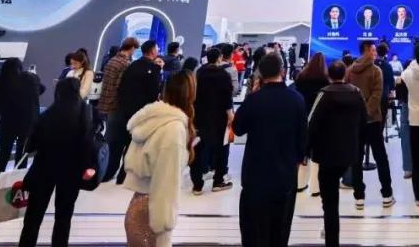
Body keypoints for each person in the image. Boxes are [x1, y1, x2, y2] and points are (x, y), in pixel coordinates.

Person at [233, 53, 307, 247]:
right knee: (280, 230)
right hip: (285, 176)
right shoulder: (297, 99)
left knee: (253, 231)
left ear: (260, 74)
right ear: (282, 71)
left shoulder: (254, 99)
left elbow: (238, 128)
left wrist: (252, 94)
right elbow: (302, 138)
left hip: (255, 176)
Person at [18, 77, 97, 247]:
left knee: (33, 216)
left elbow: (30, 145)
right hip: (72, 171)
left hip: (44, 169)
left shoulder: (48, 114)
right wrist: (89, 166)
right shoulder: (85, 112)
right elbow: (88, 143)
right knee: (64, 216)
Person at [122, 70, 195, 247]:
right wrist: (164, 228)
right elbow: (165, 184)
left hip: (139, 204)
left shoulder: (153, 119)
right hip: (153, 214)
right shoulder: (174, 129)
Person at [309, 60, 367, 247]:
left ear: (329, 75)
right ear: (345, 74)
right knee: (333, 200)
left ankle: (331, 240)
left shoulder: (324, 94)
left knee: (330, 203)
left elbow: (312, 123)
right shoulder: (356, 93)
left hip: (326, 154)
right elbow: (364, 121)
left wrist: (306, 150)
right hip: (349, 151)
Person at [0, 57, 43, 212]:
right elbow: (41, 89)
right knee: (21, 161)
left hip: (8, 124)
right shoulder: (30, 78)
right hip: (27, 126)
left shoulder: (2, 81)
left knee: (1, 161)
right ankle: (18, 199)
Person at [345, 40, 394, 208]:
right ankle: (387, 194)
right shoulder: (376, 70)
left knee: (356, 158)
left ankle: (359, 197)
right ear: (366, 51)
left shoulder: (350, 70)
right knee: (381, 157)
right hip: (373, 120)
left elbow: (348, 94)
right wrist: (367, 113)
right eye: (372, 50)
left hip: (354, 120)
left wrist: (358, 114)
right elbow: (377, 95)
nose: (375, 53)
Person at [114, 39, 164, 183]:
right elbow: (153, 93)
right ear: (152, 51)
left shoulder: (132, 65)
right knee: (136, 142)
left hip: (126, 109)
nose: (158, 50)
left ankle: (121, 174)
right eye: (157, 48)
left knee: (125, 140)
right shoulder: (153, 68)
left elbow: (123, 87)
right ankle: (128, 173)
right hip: (142, 111)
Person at [190, 48, 234, 194]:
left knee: (197, 148)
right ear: (219, 58)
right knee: (221, 148)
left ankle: (197, 185)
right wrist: (230, 116)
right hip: (219, 116)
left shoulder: (198, 73)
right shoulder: (224, 74)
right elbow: (227, 97)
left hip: (199, 115)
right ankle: (218, 181)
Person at [99, 37, 138, 182]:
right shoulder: (125, 64)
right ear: (132, 48)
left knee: (110, 140)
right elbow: (120, 87)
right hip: (117, 106)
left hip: (107, 104)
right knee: (116, 142)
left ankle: (104, 170)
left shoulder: (111, 60)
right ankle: (108, 173)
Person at [293, 53, 329, 194]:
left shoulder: (301, 79)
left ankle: (299, 184)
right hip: (320, 122)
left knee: (303, 153)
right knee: (318, 156)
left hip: (302, 119)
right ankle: (315, 188)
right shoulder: (326, 81)